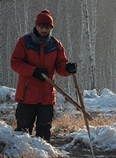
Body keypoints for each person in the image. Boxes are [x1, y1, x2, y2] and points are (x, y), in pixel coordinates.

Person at [10, 9, 77, 142]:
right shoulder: (24, 42)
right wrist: (33, 71)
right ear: (36, 26)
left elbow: (60, 66)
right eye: (41, 27)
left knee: (44, 134)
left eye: (47, 27)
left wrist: (68, 69)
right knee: (22, 133)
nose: (44, 30)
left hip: (46, 98)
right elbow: (15, 63)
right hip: (26, 96)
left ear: (51, 28)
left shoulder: (56, 45)